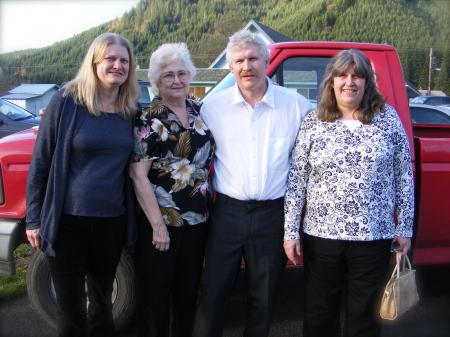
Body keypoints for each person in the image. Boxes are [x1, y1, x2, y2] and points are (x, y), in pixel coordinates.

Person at [283, 49, 415, 337]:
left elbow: (404, 175)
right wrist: (290, 232)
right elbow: (297, 180)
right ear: (332, 81)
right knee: (319, 314)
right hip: (322, 237)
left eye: (357, 75)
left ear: (368, 82)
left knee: (365, 317)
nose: (350, 82)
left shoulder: (387, 119)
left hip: (373, 237)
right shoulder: (314, 121)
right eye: (342, 75)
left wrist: (404, 227)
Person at [194, 29, 311, 337]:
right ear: (230, 67)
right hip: (227, 213)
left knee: (264, 298)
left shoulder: (297, 107)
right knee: (213, 293)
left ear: (266, 61)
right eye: (239, 60)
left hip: (273, 215)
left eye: (253, 58)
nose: (247, 66)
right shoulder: (212, 108)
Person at [25, 32, 140, 336]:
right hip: (68, 223)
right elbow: (41, 161)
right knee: (71, 307)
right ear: (95, 61)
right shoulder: (67, 101)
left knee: (103, 304)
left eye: (124, 60)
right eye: (110, 58)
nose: (118, 65)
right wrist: (34, 218)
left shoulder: (131, 110)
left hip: (111, 223)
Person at [129, 42, 214, 337]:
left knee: (187, 298)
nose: (176, 80)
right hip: (161, 226)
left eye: (181, 73)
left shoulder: (200, 110)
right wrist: (157, 227)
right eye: (168, 75)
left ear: (190, 75)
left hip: (198, 223)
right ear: (156, 81)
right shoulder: (149, 118)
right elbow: (138, 175)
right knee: (154, 300)